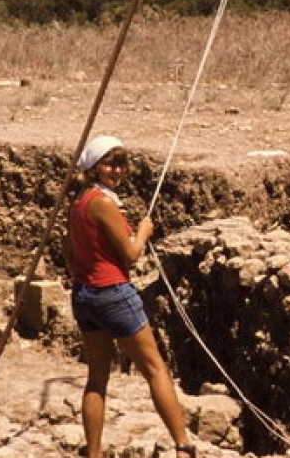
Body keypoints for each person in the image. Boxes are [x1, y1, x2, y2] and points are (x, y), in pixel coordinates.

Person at [62, 135, 196, 458]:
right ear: (94, 167)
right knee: (155, 368)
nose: (117, 171)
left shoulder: (77, 205)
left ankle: (93, 453)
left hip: (84, 296)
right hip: (113, 293)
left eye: (121, 163)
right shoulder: (104, 204)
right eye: (109, 163)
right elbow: (132, 253)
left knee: (97, 378)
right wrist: (144, 230)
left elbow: (68, 251)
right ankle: (184, 447)